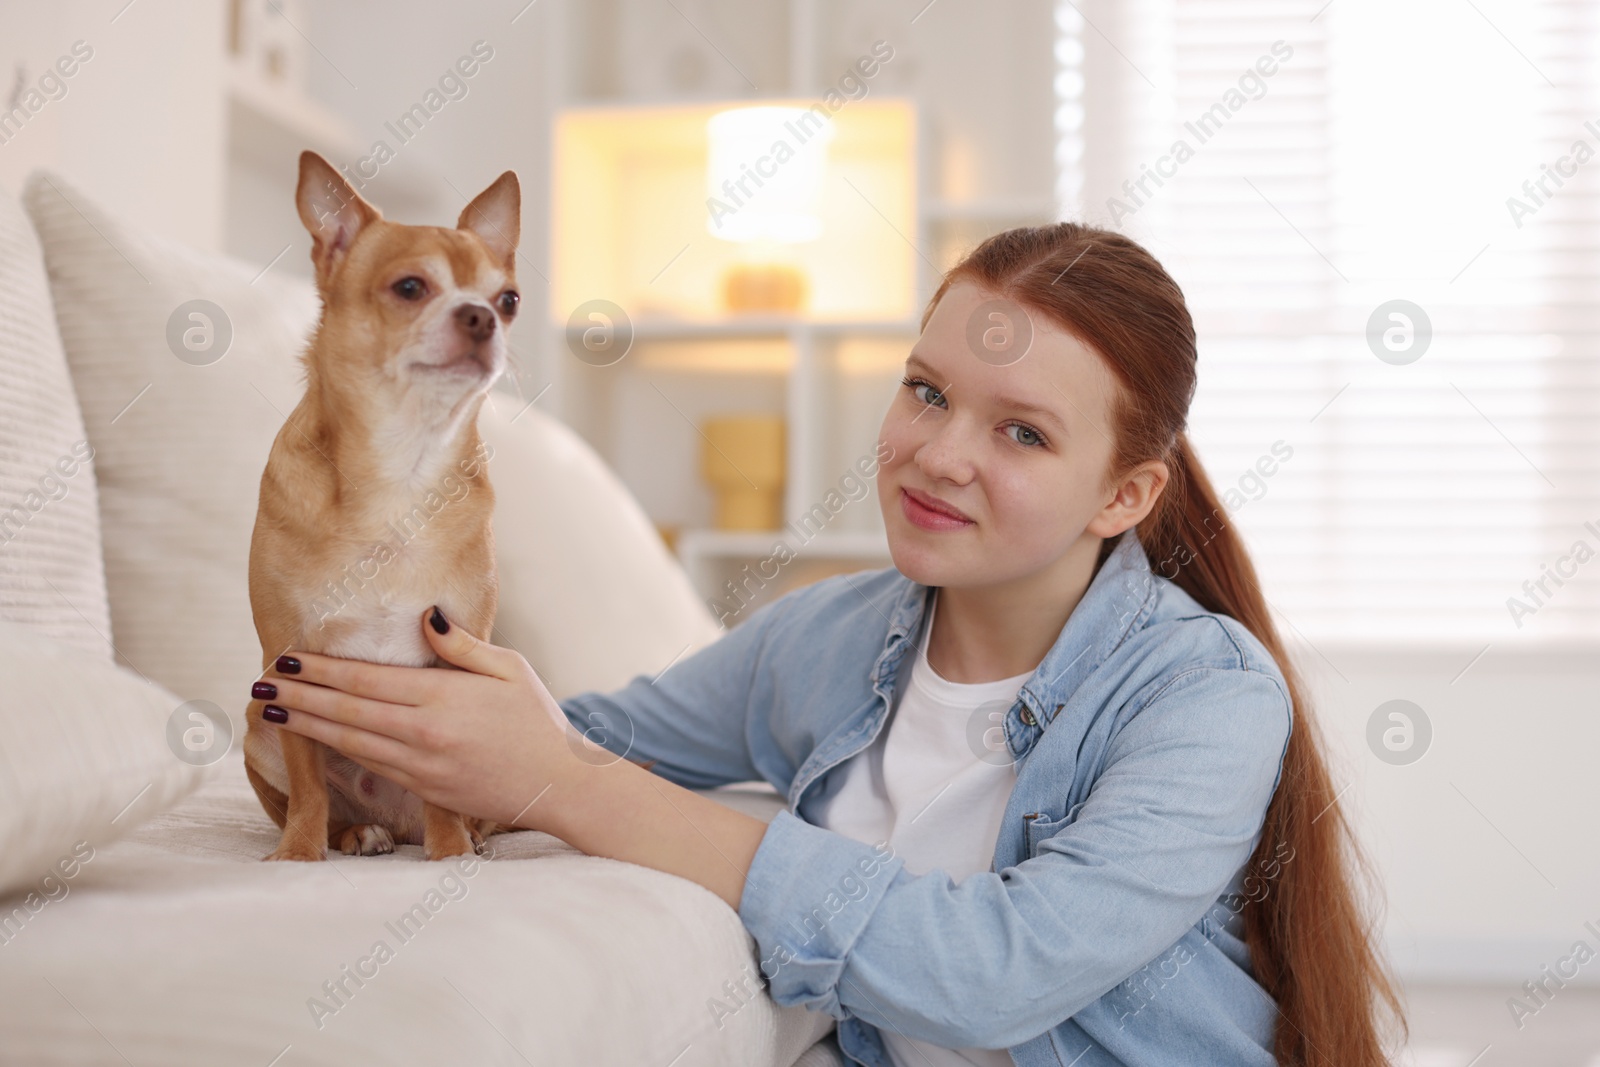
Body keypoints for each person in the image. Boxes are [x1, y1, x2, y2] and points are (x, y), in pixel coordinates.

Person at [262, 222, 1407, 1066]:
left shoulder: (1203, 695)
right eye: (925, 391)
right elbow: (579, 737)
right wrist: (367, 708)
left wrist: (568, 782)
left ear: (1125, 494)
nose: (938, 454)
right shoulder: (826, 637)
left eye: (1020, 430)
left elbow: (993, 974)